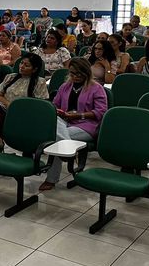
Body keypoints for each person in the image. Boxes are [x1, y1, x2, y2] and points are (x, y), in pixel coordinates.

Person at [40, 57, 108, 191]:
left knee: (56, 140)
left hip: (86, 125)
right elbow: (54, 105)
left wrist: (77, 115)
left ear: (86, 73)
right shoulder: (65, 86)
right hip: (64, 122)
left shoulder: (96, 88)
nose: (75, 77)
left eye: (78, 74)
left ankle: (51, 178)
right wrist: (59, 112)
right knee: (55, 124)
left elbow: (101, 112)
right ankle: (67, 149)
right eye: (72, 73)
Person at [0, 53, 49, 151]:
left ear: (34, 69)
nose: (21, 66)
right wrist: (9, 105)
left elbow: (40, 104)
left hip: (25, 113)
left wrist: (16, 108)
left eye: (26, 65)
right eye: (21, 63)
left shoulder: (39, 82)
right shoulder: (10, 77)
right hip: (6, 108)